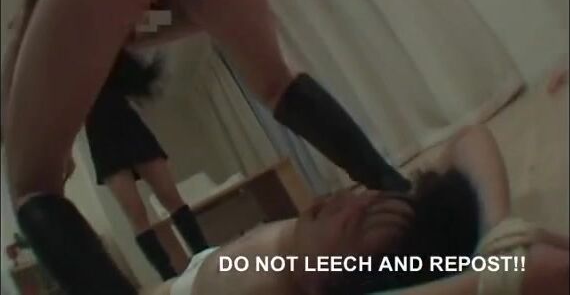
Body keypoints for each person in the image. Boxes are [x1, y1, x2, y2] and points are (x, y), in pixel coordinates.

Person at [2, 0, 409, 292]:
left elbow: (18, 39)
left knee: (32, 187)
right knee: (277, 85)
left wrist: (27, 138)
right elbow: (155, 21)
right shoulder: (114, 18)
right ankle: (398, 190)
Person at [144, 125, 568, 295]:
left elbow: (543, 271)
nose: (351, 199)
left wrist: (490, 282)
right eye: (371, 200)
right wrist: (498, 229)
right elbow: (469, 139)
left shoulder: (263, 285)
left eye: (358, 222)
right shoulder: (313, 254)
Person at [84, 50, 208, 280]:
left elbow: (133, 67)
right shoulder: (63, 65)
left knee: (169, 195)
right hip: (100, 137)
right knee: (135, 212)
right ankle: (167, 275)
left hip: (128, 124)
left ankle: (204, 253)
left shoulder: (103, 46)